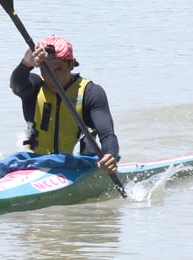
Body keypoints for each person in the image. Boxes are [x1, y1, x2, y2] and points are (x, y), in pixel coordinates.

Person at [9, 35, 120, 174]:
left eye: (58, 69)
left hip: (79, 166)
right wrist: (26, 64)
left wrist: (110, 154)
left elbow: (107, 134)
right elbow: (16, 86)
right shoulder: (34, 87)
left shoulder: (91, 93)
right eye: (46, 70)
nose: (51, 77)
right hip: (38, 163)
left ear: (71, 64)